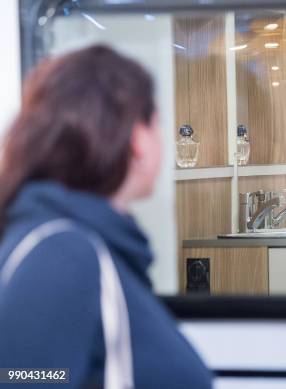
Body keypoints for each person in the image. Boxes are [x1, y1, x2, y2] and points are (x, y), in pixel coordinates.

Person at [0, 46, 213, 388]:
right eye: (158, 124)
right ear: (138, 140)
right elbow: (24, 378)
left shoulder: (90, 248)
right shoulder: (63, 254)